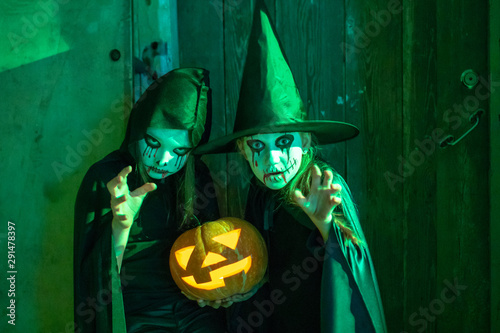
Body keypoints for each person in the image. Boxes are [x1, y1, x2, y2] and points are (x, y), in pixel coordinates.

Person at [195, 3, 387, 332]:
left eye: (285, 143)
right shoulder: (259, 191)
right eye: (257, 146)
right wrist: (238, 288)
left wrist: (326, 225)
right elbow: (264, 268)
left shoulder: (322, 185)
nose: (271, 161)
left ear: (307, 141)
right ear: (242, 149)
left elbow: (355, 275)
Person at [73, 68, 226, 332]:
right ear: (138, 130)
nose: (164, 160)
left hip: (194, 314)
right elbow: (93, 282)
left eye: (179, 150)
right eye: (154, 143)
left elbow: (212, 254)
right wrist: (121, 225)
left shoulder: (197, 176)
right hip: (133, 315)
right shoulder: (106, 178)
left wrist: (217, 292)